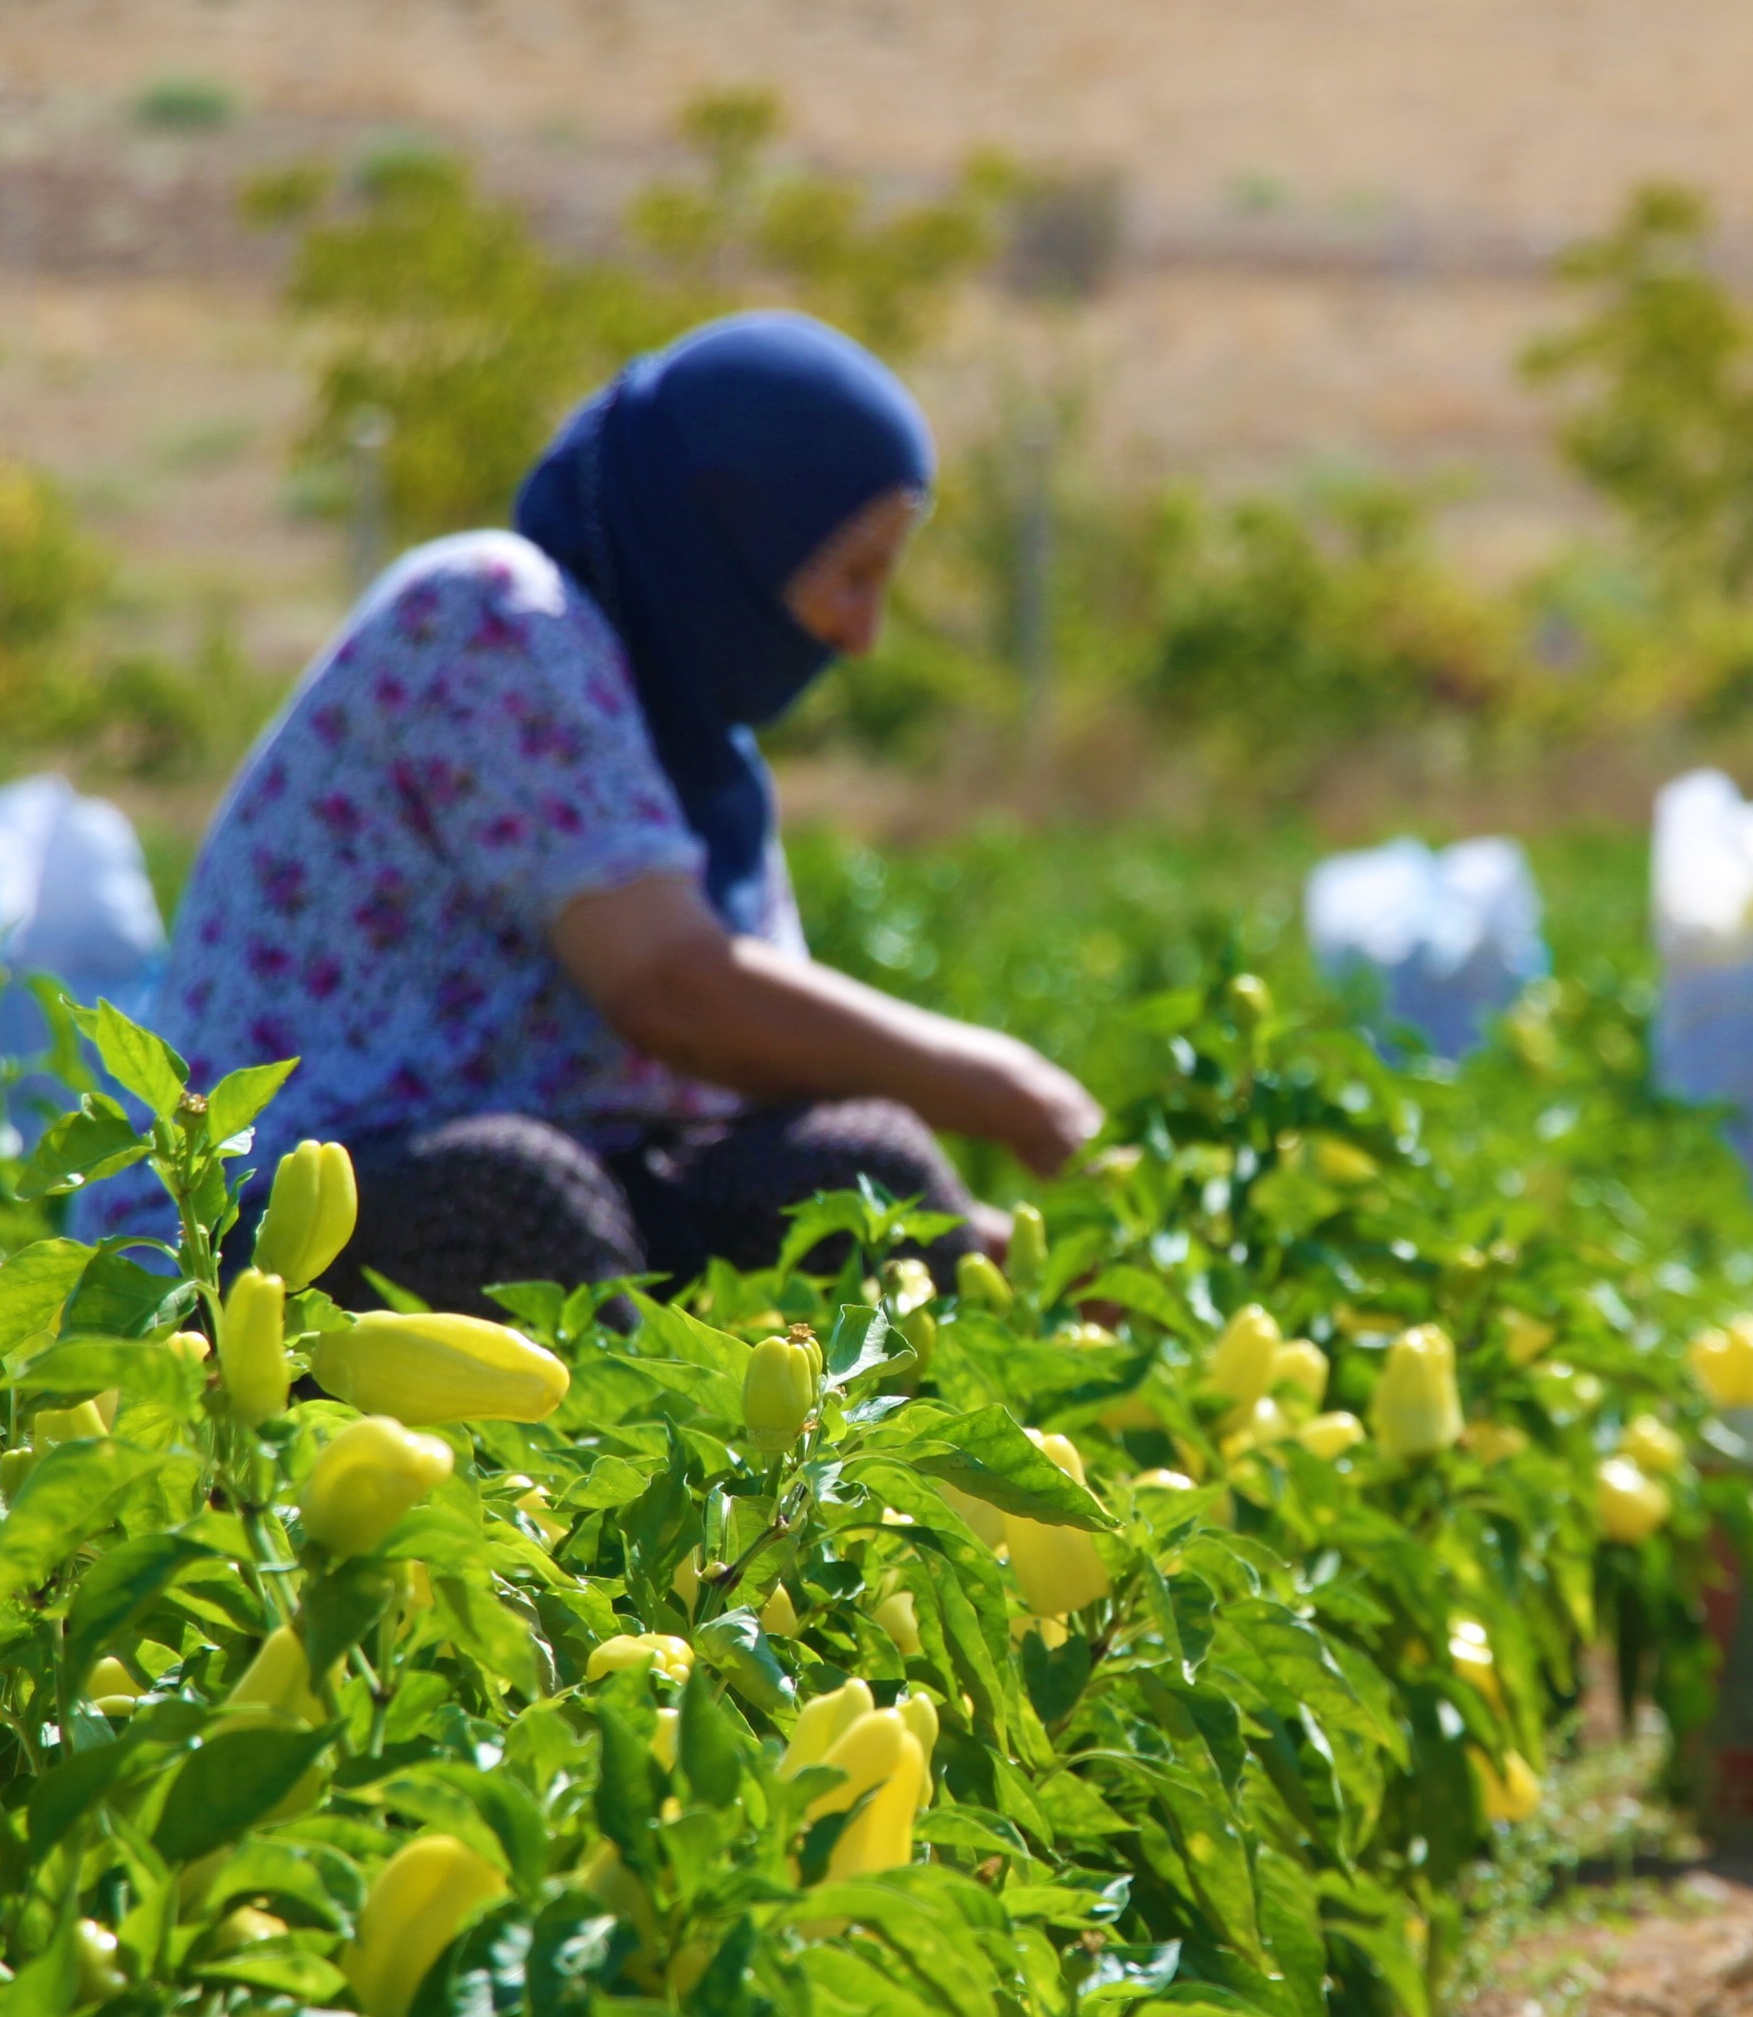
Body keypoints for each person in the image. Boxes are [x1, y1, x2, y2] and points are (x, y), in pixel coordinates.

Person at [96, 313, 1100, 1309]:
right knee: (508, 1204)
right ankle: (609, 1424)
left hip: (579, 1184)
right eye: (852, 575)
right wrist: (1014, 1094)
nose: (864, 634)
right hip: (250, 1239)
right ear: (732, 529)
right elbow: (676, 994)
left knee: (856, 1173)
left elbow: (752, 1078)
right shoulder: (492, 617)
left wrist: (1018, 1265)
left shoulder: (692, 752)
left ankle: (917, 1411)